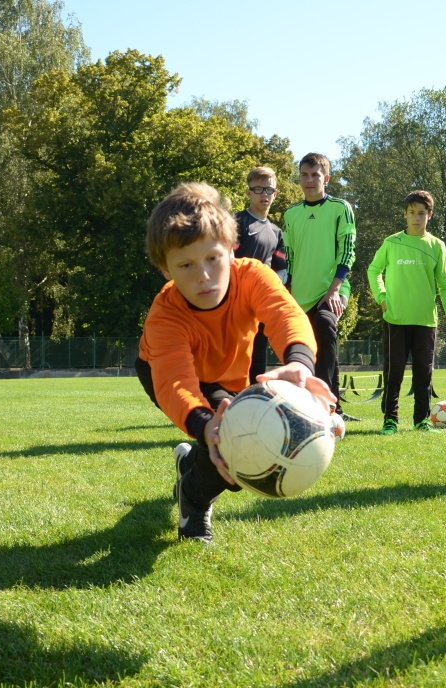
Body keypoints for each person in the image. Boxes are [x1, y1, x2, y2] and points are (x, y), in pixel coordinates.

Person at [136, 183, 334, 542]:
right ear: (165, 269)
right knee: (229, 448)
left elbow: (286, 316)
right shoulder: (164, 316)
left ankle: (188, 465)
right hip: (165, 374)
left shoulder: (253, 275)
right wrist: (204, 425)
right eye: (185, 265)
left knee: (232, 439)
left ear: (231, 249)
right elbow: (175, 382)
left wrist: (300, 364)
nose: (204, 276)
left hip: (227, 375)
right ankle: (193, 503)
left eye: (212, 258)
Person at [367, 190, 446, 434]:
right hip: (395, 318)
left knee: (423, 374)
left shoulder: (437, 246)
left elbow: (445, 282)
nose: (416, 218)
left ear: (430, 215)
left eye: (421, 213)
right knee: (393, 372)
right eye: (412, 213)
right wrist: (382, 297)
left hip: (425, 321)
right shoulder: (391, 242)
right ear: (404, 215)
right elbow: (374, 270)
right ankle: (390, 420)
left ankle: (421, 420)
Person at [282, 153, 358, 419]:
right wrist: (287, 290)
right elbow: (289, 258)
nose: (310, 180)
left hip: (333, 289)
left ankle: (323, 407)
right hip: (300, 294)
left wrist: (335, 288)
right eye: (304, 174)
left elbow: (348, 251)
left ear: (326, 178)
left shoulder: (340, 208)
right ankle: (331, 406)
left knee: (325, 326)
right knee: (309, 348)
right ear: (299, 178)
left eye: (315, 175)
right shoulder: (290, 214)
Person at [234, 166, 288, 384]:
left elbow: (281, 269)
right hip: (235, 301)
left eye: (269, 190)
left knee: (258, 355)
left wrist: (272, 286)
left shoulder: (276, 232)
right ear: (248, 193)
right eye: (258, 189)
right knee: (233, 355)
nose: (264, 194)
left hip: (261, 303)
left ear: (275, 194)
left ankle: (255, 401)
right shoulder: (236, 223)